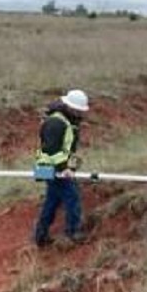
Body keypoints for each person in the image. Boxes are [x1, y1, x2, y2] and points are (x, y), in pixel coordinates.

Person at [33, 88, 90, 247]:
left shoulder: (68, 122)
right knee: (72, 197)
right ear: (70, 107)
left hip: (52, 169)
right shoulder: (56, 122)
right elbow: (51, 149)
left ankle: (40, 236)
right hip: (51, 168)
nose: (81, 114)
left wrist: (71, 167)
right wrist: (63, 168)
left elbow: (68, 149)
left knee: (52, 201)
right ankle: (73, 232)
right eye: (78, 111)